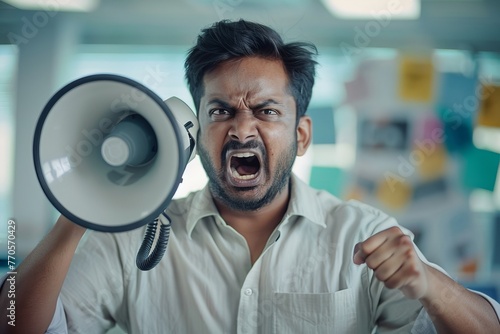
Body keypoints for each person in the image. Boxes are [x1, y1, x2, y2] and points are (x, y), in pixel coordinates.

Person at [1, 19, 499, 334]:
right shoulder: (128, 238)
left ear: (302, 136)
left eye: (266, 111)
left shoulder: (364, 234)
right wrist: (79, 213)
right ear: (191, 134)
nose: (242, 128)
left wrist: (432, 286)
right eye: (219, 111)